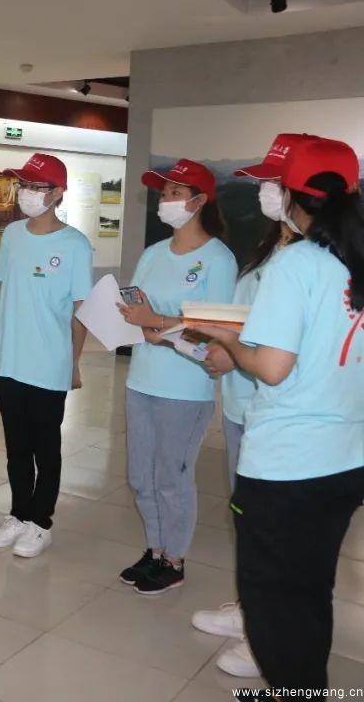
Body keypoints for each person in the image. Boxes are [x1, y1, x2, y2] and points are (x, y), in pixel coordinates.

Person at [195, 138, 364, 700]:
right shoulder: (352, 261)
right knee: (311, 591)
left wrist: (227, 339)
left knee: (273, 605)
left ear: (293, 194)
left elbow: (270, 367)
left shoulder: (297, 264)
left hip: (288, 465)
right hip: (346, 460)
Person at [190, 134, 311, 679]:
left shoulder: (314, 262)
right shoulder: (271, 247)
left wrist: (230, 349)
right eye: (261, 182)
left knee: (278, 529)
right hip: (245, 403)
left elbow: (287, 347)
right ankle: (250, 608)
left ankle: (270, 635)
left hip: (279, 409)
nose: (264, 191)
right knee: (250, 518)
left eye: (273, 183)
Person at [117, 159, 238, 594]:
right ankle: (154, 549)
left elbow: (218, 333)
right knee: (140, 476)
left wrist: (160, 327)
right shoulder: (153, 254)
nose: (165, 200)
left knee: (171, 477)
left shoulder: (217, 260)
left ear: (199, 201)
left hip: (185, 387)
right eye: (163, 192)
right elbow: (138, 310)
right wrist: (137, 321)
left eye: (174, 193)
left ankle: (174, 559)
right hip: (141, 380)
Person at [0, 153, 92, 558]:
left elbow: (81, 312)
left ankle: (40, 521)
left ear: (58, 193)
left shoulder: (75, 244)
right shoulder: (12, 235)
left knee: (45, 447)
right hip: (8, 361)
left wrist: (74, 363)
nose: (26, 193)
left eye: (36, 186)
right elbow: (11, 291)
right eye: (23, 185)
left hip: (49, 364)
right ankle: (18, 513)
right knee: (16, 447)